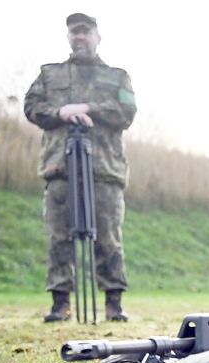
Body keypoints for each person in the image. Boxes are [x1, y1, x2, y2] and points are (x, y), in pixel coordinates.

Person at [24, 13, 137, 322]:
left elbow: (127, 112)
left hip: (104, 169)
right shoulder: (50, 74)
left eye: (85, 32)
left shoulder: (117, 76)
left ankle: (114, 304)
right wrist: (62, 111)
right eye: (74, 32)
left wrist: (88, 109)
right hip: (60, 167)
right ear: (68, 37)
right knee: (58, 236)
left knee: (109, 237)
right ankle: (60, 304)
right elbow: (32, 107)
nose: (79, 37)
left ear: (97, 36)